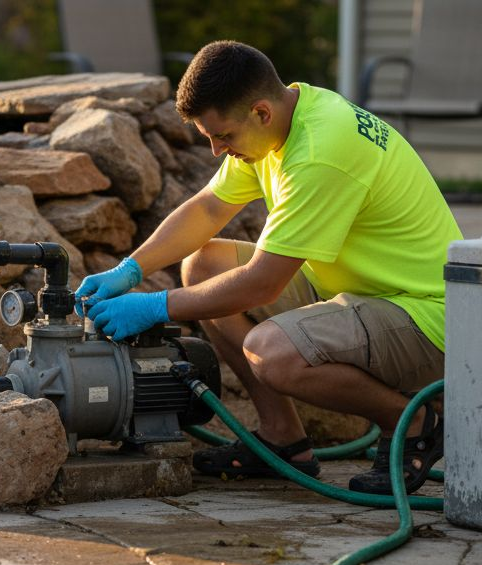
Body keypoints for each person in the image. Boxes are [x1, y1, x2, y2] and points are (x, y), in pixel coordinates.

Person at [74, 40, 461, 494]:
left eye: (223, 136)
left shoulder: (320, 152)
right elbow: (208, 208)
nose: (216, 150)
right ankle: (283, 439)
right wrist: (130, 270)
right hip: (361, 290)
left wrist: (154, 306)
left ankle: (415, 422)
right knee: (205, 264)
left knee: (272, 353)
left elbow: (262, 283)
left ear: (260, 112)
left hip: (425, 317)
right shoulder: (281, 121)